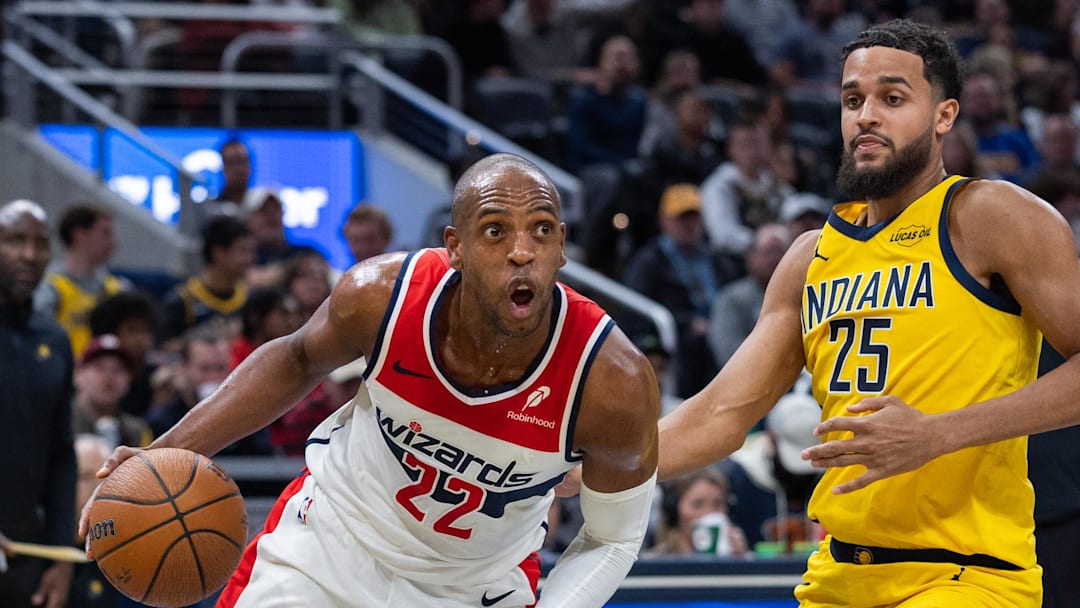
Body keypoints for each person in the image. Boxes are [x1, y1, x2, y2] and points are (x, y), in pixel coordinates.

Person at [84, 153, 659, 607]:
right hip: (329, 548)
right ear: (453, 248)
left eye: (540, 231)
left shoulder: (612, 380)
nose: (520, 252)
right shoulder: (381, 296)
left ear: (561, 246)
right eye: (493, 232)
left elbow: (611, 539)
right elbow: (293, 360)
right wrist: (159, 455)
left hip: (470, 588)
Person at [657, 19, 1080, 606]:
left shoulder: (988, 216)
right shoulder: (810, 257)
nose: (866, 116)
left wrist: (936, 434)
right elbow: (720, 414)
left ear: (944, 115)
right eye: (852, 99)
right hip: (837, 573)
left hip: (964, 576)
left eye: (892, 97)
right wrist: (590, 467)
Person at [0, 200, 76, 608]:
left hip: (28, 555)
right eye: (15, 241)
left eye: (40, 244)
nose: (29, 255)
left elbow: (62, 456)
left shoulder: (54, 339)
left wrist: (62, 559)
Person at [34, 204, 130, 357]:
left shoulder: (119, 289)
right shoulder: (49, 288)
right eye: (106, 233)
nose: (113, 243)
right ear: (79, 234)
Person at [160, 215, 255, 344]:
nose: (250, 259)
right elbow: (165, 348)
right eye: (243, 250)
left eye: (252, 251)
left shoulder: (251, 298)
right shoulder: (183, 300)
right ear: (218, 253)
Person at [71, 334, 154, 450]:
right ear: (78, 374)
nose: (109, 376)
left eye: (118, 369)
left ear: (130, 380)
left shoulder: (138, 431)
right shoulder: (59, 423)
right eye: (99, 367)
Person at [646, 468, 748, 557]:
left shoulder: (737, 557)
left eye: (718, 504)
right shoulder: (651, 564)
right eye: (697, 505)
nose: (709, 513)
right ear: (674, 511)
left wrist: (740, 562)